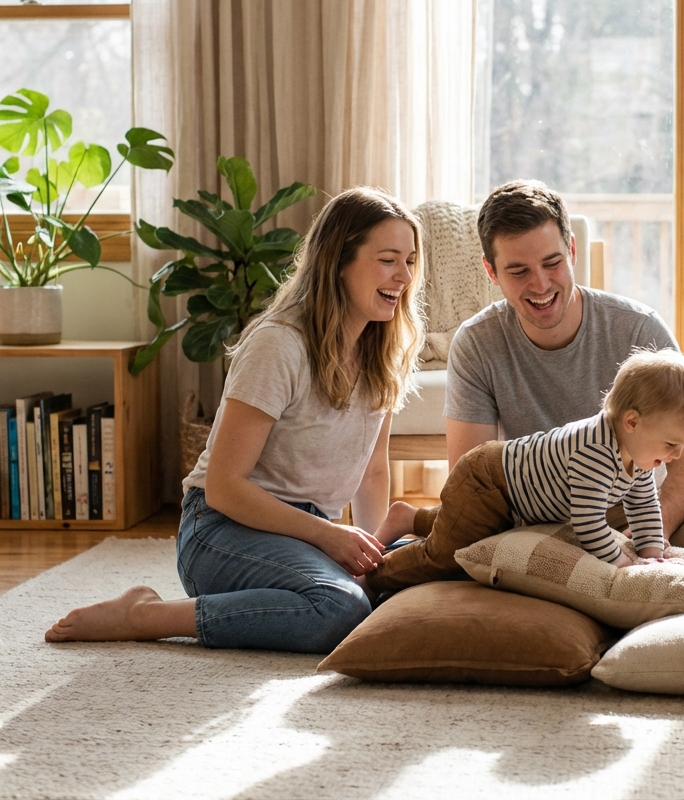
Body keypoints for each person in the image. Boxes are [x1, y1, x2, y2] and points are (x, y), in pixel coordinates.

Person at [45, 188, 424, 653]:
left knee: (421, 570)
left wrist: (372, 558)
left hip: (303, 536)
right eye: (389, 259)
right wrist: (329, 537)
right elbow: (224, 487)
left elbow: (372, 471)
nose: (403, 275)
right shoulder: (279, 345)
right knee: (340, 608)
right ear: (338, 261)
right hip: (221, 530)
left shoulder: (382, 353)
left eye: (409, 261)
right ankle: (144, 614)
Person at [442, 180, 684, 569]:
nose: (540, 284)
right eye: (518, 271)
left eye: (552, 263)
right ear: (491, 271)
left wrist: (653, 534)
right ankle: (649, 581)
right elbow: (470, 476)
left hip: (632, 512)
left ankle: (609, 578)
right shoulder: (476, 343)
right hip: (536, 519)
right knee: (478, 540)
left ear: (571, 250)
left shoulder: (637, 329)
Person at [368, 348, 684, 596]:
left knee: (461, 526)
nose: (675, 456)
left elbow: (644, 507)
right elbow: (587, 525)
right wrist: (626, 565)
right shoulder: (594, 450)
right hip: (490, 481)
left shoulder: (640, 454)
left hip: (521, 497)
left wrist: (654, 553)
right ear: (633, 422)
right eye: (672, 444)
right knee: (446, 555)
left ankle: (408, 517)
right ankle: (373, 575)